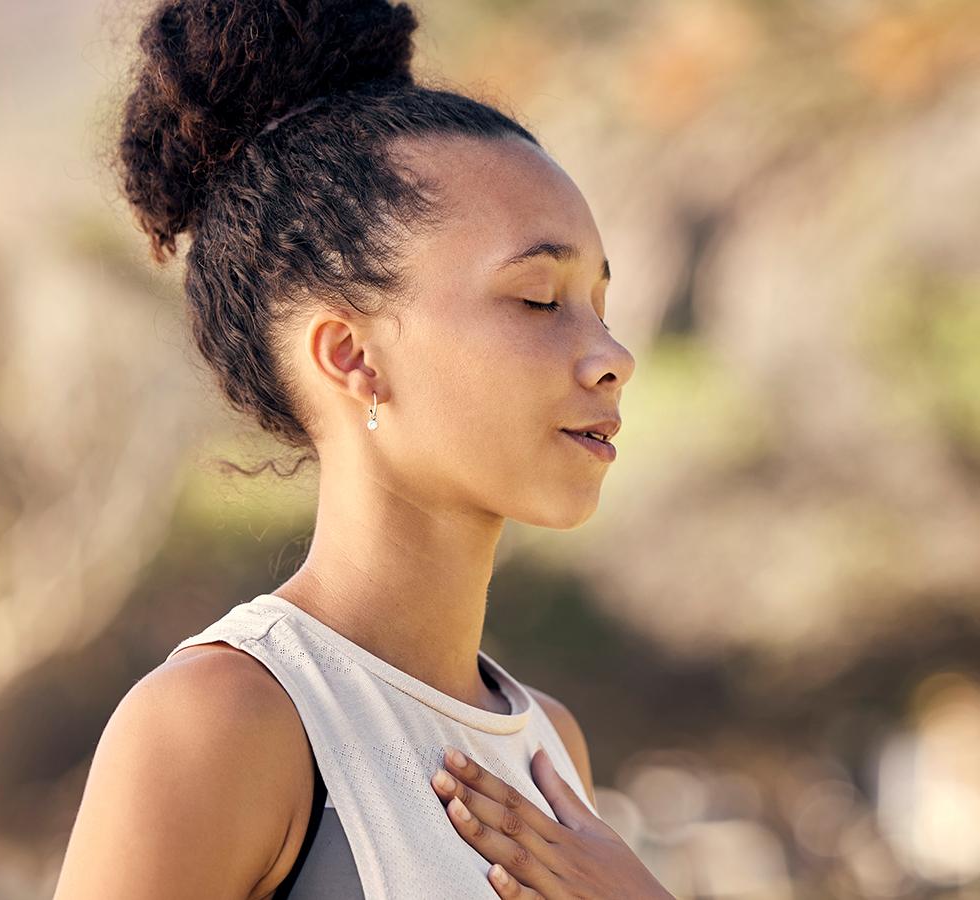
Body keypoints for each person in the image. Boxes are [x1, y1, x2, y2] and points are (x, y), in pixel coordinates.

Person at [52, 1, 674, 897]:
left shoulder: (550, 746)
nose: (612, 357)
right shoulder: (226, 723)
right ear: (352, 357)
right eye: (538, 300)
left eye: (600, 307)